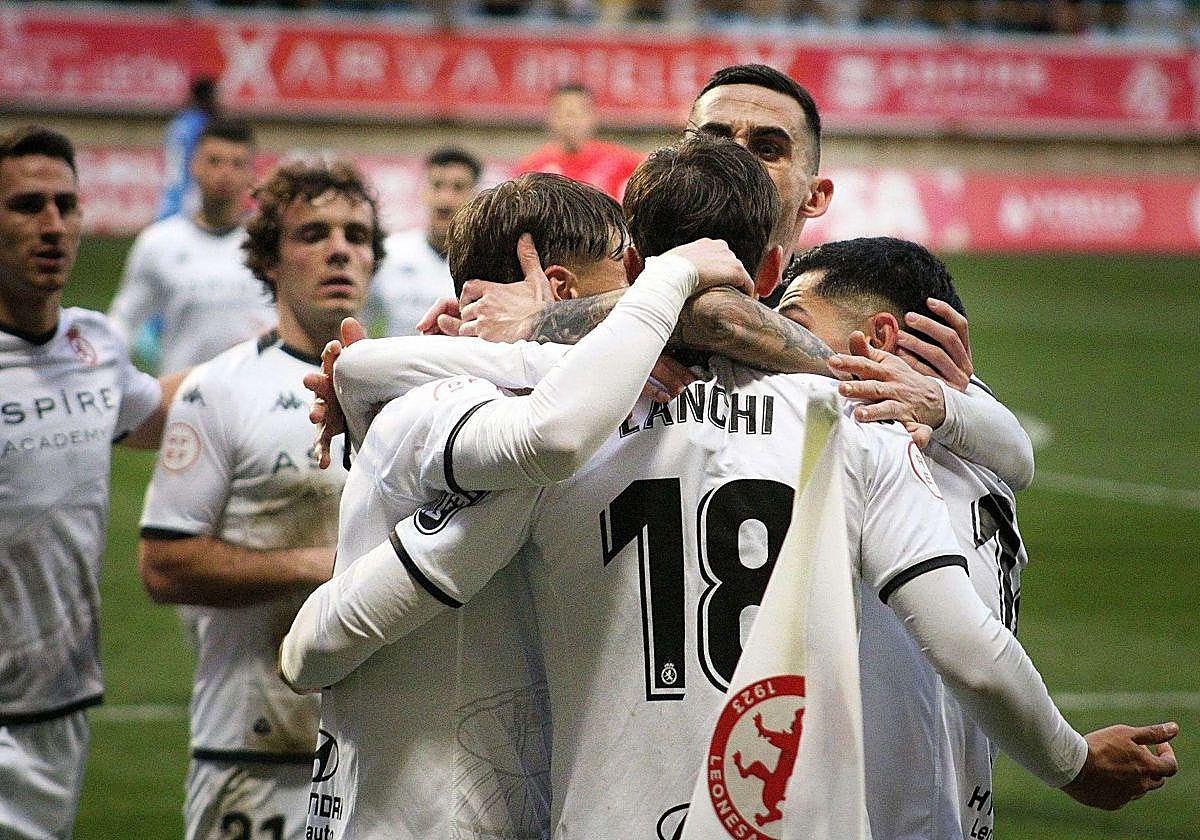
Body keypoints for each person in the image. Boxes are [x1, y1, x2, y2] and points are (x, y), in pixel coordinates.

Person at [284, 134, 1177, 837]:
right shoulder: (858, 424)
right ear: (772, 275)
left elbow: (396, 419)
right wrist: (1070, 762)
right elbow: (970, 647)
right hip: (793, 817)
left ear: (633, 263)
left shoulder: (570, 421)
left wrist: (380, 378)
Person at [280, 171, 753, 839]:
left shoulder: (496, 389)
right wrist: (664, 282)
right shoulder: (440, 404)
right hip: (416, 822)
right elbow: (549, 437)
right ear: (562, 289)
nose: (633, 298)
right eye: (625, 275)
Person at [136, 158, 382, 840]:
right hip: (254, 754)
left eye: (357, 235)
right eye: (313, 233)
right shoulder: (218, 390)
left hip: (381, 752)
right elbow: (164, 566)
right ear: (269, 260)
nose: (340, 249)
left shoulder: (412, 388)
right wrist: (324, 567)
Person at [0, 125, 183, 838]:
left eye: (66, 205)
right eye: (27, 206)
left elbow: (158, 413)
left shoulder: (92, 345)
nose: (52, 225)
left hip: (60, 701)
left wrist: (281, 360)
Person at [450, 64, 835, 342]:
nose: (734, 159)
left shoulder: (838, 307)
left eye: (767, 149)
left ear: (815, 196)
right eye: (713, 140)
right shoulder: (586, 281)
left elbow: (717, 314)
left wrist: (545, 321)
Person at [108, 118, 275, 374]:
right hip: (182, 393)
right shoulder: (159, 242)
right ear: (194, 166)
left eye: (237, 164)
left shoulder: (271, 241)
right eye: (214, 161)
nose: (225, 173)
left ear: (252, 174)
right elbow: (124, 320)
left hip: (258, 392)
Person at [366, 147, 482, 337]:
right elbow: (358, 318)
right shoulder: (389, 254)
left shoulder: (488, 261)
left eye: (458, 187)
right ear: (423, 191)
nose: (445, 200)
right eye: (437, 185)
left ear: (475, 197)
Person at [515, 83, 644, 201]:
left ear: (592, 116)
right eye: (563, 113)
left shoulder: (618, 160)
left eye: (577, 113)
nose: (570, 121)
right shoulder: (531, 168)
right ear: (551, 118)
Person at [159, 76, 221, 221]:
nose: (217, 102)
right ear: (206, 97)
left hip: (170, 196)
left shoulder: (178, 122)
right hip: (191, 195)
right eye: (214, 97)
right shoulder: (202, 125)